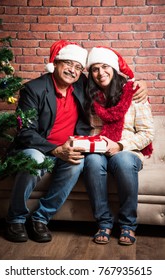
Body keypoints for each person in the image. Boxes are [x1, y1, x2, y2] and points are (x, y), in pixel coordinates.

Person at [5, 40, 148, 243]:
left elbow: (113, 79)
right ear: (55, 63)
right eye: (68, 64)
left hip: (68, 148)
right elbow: (24, 131)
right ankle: (16, 219)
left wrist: (141, 84)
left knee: (78, 161)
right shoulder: (32, 90)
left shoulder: (81, 84)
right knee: (35, 159)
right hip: (37, 148)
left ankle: (40, 218)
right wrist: (55, 150)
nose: (73, 70)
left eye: (78, 67)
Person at [83, 46, 154, 245]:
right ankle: (104, 222)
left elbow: (147, 133)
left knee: (123, 161)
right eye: (95, 69)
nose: (100, 73)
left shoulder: (133, 92)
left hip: (126, 150)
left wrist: (120, 145)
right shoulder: (90, 94)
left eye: (105, 67)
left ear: (114, 69)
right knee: (93, 162)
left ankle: (127, 225)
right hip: (99, 149)